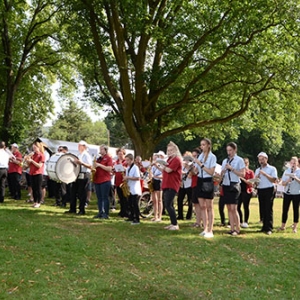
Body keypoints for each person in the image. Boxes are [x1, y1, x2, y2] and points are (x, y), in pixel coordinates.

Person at [155, 141, 182, 230]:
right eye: (168, 150)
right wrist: (158, 165)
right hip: (166, 184)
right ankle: (172, 223)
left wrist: (162, 165)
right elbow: (164, 170)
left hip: (172, 184)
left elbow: (169, 170)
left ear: (175, 150)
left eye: (171, 150)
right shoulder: (169, 160)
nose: (169, 152)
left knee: (168, 204)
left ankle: (175, 224)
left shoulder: (177, 159)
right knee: (169, 204)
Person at [221, 142, 245, 236]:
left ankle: (237, 228)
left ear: (235, 150)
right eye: (227, 150)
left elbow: (242, 174)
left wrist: (232, 169)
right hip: (226, 184)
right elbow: (221, 174)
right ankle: (231, 228)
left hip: (234, 184)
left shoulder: (239, 160)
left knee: (234, 208)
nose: (229, 152)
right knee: (228, 208)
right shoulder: (224, 161)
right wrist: (222, 172)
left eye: (230, 150)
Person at [194, 138, 217, 238]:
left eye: (203, 145)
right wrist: (193, 167)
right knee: (202, 206)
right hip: (200, 180)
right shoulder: (200, 156)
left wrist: (201, 165)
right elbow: (196, 171)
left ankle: (210, 230)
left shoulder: (212, 157)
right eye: (201, 145)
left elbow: (211, 172)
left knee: (209, 207)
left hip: (208, 181)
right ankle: (204, 228)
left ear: (208, 145)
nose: (202, 147)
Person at [66, 140, 92, 215]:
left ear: (84, 147)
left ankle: (81, 209)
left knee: (82, 193)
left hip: (84, 174)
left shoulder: (86, 155)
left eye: (80, 146)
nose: (78, 147)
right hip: (77, 174)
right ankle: (72, 208)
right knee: (73, 191)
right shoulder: (79, 154)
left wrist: (82, 163)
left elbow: (90, 166)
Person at [255, 152, 277, 235]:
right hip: (260, 189)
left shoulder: (272, 169)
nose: (261, 161)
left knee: (268, 208)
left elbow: (274, 180)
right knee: (262, 208)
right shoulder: (257, 170)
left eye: (262, 159)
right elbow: (256, 183)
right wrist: (256, 179)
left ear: (266, 159)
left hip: (269, 189)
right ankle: (264, 226)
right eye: (259, 160)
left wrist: (265, 174)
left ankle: (269, 228)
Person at [279, 156, 300, 233]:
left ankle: (294, 227)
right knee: (285, 209)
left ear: (297, 163)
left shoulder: (299, 171)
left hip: (296, 193)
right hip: (287, 193)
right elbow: (283, 183)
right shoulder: (287, 171)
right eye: (292, 163)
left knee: (296, 210)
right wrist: (288, 180)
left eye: (295, 163)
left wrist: (296, 178)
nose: (293, 164)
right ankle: (283, 226)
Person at [93, 145, 113, 219]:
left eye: (101, 149)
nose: (100, 150)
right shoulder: (99, 159)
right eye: (100, 149)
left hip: (105, 180)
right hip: (97, 180)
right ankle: (100, 212)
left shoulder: (108, 158)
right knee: (99, 198)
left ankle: (106, 213)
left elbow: (110, 169)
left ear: (105, 150)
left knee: (105, 197)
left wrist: (99, 165)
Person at [124, 154, 142, 225]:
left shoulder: (135, 168)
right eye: (126, 160)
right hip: (130, 188)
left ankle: (137, 218)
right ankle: (131, 216)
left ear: (132, 160)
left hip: (135, 189)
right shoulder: (128, 168)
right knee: (130, 203)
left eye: (128, 160)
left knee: (135, 204)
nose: (126, 161)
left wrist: (128, 177)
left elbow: (138, 178)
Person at [27, 142, 45, 208]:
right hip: (31, 173)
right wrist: (28, 160)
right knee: (33, 188)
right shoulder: (33, 155)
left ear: (38, 147)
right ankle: (35, 201)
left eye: (35, 147)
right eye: (33, 148)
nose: (34, 149)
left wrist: (32, 161)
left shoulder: (41, 155)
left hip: (38, 173)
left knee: (38, 188)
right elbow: (29, 165)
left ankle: (39, 202)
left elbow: (39, 165)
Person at [238, 158, 255, 228]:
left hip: (247, 191)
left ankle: (246, 221)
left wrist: (242, 179)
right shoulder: (239, 172)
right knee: (237, 207)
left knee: (246, 206)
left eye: (245, 163)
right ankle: (240, 221)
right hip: (239, 191)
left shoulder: (250, 172)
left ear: (248, 164)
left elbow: (251, 183)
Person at [177, 152, 193, 221]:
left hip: (189, 184)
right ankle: (180, 215)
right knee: (179, 199)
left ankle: (189, 216)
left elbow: (190, 176)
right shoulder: (182, 165)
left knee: (190, 201)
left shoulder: (192, 165)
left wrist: (187, 167)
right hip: (182, 184)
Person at [114, 148, 128, 218]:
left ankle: (125, 211)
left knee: (125, 197)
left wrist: (124, 168)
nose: (120, 155)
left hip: (124, 182)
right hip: (117, 181)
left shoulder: (126, 162)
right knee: (120, 198)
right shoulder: (116, 161)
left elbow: (128, 169)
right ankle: (122, 210)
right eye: (119, 154)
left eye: (121, 154)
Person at [150, 153, 163, 222]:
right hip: (153, 181)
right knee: (154, 200)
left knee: (159, 200)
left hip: (159, 181)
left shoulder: (161, 165)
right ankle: (155, 216)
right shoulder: (153, 167)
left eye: (155, 158)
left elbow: (163, 174)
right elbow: (151, 173)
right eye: (153, 158)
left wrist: (157, 177)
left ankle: (160, 216)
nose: (154, 160)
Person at [190, 148, 201, 228]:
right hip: (193, 184)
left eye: (195, 156)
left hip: (199, 184)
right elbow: (191, 174)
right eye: (192, 156)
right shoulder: (193, 163)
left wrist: (190, 168)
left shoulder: (199, 163)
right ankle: (197, 221)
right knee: (196, 204)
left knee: (200, 204)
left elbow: (195, 173)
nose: (194, 157)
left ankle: (202, 221)